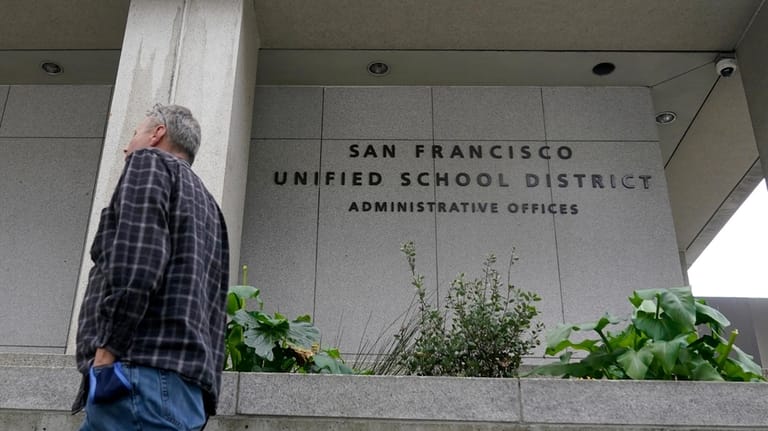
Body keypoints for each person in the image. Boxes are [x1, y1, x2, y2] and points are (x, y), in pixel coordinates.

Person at [72, 104, 230, 431]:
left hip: (136, 379)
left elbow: (137, 266)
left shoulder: (148, 163)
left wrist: (105, 355)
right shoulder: (210, 208)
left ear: (157, 134)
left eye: (134, 134)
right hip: (185, 393)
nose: (127, 146)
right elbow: (215, 308)